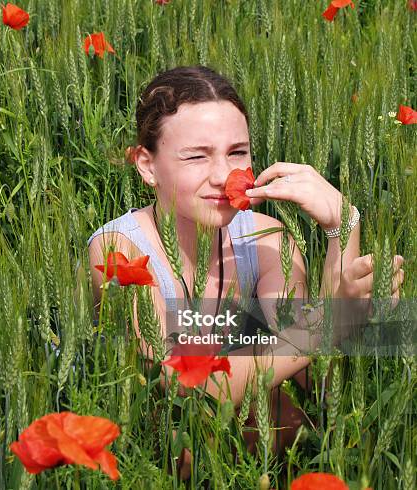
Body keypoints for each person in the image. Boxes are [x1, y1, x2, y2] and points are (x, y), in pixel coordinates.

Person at [86, 66, 404, 465]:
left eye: (237, 152)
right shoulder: (118, 249)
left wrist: (342, 226)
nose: (223, 175)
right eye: (197, 156)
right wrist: (328, 325)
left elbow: (316, 388)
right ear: (147, 165)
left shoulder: (269, 242)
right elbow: (187, 397)